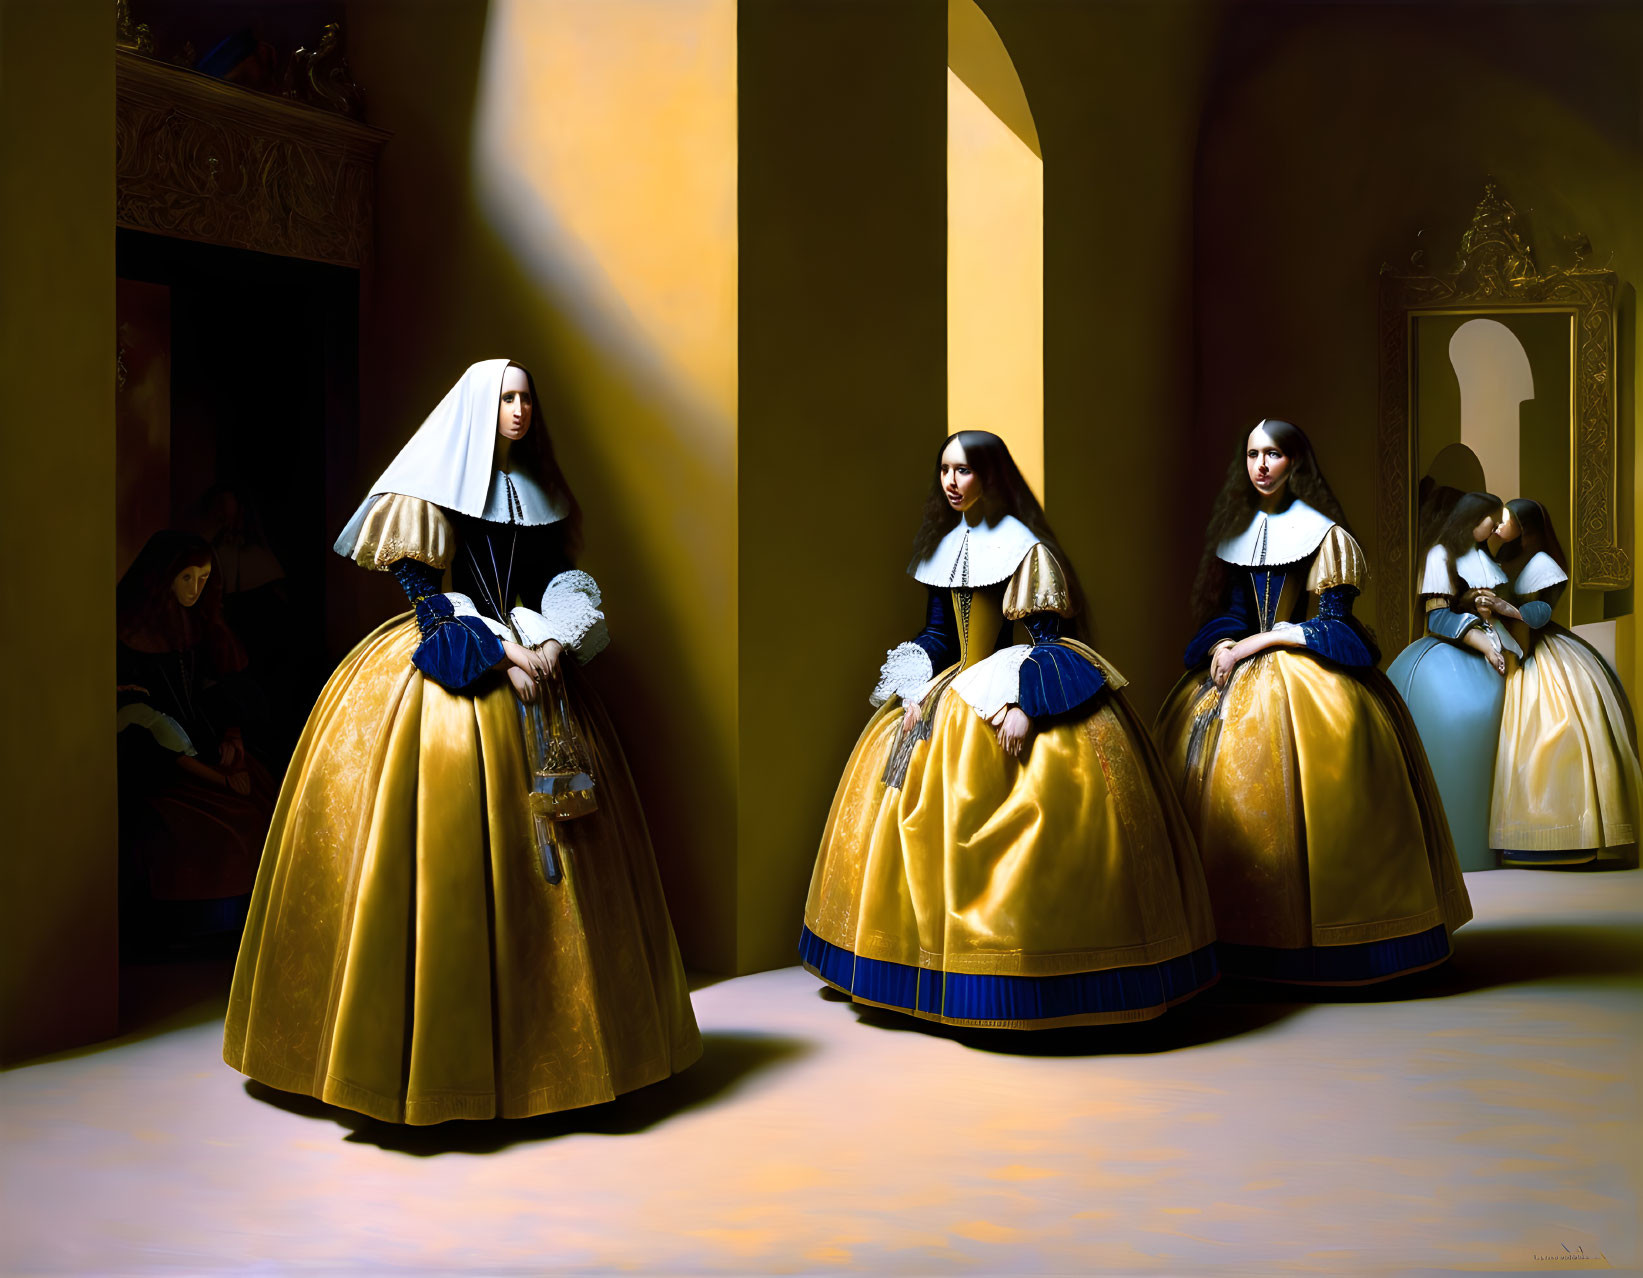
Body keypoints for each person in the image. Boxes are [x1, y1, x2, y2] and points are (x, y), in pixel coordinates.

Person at [224, 359, 700, 1124]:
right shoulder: (435, 486)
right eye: (507, 398)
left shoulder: (538, 492)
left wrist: (553, 642)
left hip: (534, 654)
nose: (519, 411)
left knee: (568, 850)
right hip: (455, 663)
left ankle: (559, 1050)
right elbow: (422, 593)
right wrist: (502, 654)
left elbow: (552, 581)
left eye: (526, 400)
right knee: (436, 847)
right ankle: (423, 1059)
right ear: (481, 407)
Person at [801, 431, 1218, 1029]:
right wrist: (917, 685)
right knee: (903, 788)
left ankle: (1025, 978)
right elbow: (943, 637)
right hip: (956, 687)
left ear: (991, 476)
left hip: (1014, 679)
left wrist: (1024, 703)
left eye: (964, 471)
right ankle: (919, 968)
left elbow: (1048, 643)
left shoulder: (1027, 550)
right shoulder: (946, 546)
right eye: (944, 470)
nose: (951, 482)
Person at [1156, 419, 1471, 984]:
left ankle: (1334, 946)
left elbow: (1335, 626)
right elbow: (1231, 610)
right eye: (1252, 454)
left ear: (1295, 462)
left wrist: (1261, 640)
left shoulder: (1325, 536)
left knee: (1332, 791)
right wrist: (1229, 640)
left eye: (1273, 454)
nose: (1261, 466)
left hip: (1310, 673)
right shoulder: (1237, 533)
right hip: (1242, 664)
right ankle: (1234, 942)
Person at [117, 530, 276, 946]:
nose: (195, 589)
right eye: (187, 578)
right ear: (164, 577)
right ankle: (204, 935)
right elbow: (144, 727)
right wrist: (216, 777)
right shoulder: (128, 632)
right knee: (219, 830)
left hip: (203, 748)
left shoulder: (198, 624)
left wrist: (232, 732)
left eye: (204, 579)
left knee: (264, 804)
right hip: (158, 765)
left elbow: (215, 688)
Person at [1490, 498, 1641, 866]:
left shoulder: (1542, 564)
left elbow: (1538, 615)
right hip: (1512, 643)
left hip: (1537, 649)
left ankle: (1568, 833)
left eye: (1506, 520)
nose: (1498, 525)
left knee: (1556, 728)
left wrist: (1501, 608)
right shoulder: (1501, 559)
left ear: (1524, 526)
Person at [1385, 490, 1520, 871]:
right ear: (1470, 518)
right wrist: (1481, 641)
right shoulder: (1439, 556)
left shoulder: (1480, 554)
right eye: (1489, 522)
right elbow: (1438, 617)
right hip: (1451, 653)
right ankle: (1451, 848)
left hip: (1489, 647)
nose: (1494, 529)